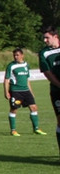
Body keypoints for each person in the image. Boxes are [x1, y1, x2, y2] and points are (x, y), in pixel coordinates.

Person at [4, 48, 46, 137]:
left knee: (34, 107)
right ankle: (13, 130)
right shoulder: (11, 66)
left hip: (26, 91)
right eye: (14, 55)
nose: (15, 57)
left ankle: (36, 128)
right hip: (15, 91)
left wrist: (31, 92)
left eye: (17, 55)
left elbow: (27, 79)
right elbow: (6, 80)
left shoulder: (26, 65)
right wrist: (6, 92)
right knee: (14, 109)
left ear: (22, 55)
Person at [38, 26, 60, 160]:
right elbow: (47, 73)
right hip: (57, 91)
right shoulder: (43, 53)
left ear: (55, 36)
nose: (45, 40)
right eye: (44, 38)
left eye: (47, 38)